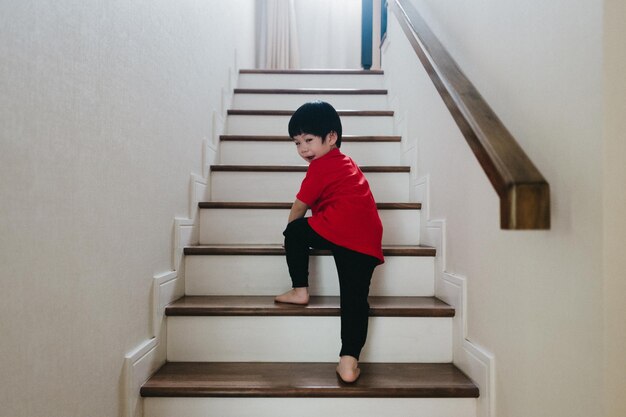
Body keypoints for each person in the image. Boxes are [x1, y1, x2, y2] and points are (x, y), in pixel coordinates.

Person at [274, 101, 384, 383]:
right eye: (297, 143)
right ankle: (348, 362)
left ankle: (300, 290)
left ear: (331, 137)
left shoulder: (320, 167)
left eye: (308, 140)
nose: (303, 149)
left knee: (296, 231)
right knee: (354, 299)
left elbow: (299, 207)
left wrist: (289, 238)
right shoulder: (348, 164)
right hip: (367, 237)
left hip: (338, 227)